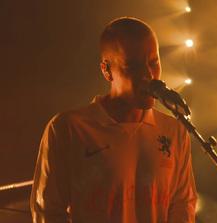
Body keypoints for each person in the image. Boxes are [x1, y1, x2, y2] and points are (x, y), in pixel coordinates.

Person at [30, 17, 198, 223]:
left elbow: (182, 202)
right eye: (134, 66)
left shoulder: (174, 130)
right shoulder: (68, 128)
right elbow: (48, 212)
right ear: (106, 70)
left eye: (154, 63)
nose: (149, 75)